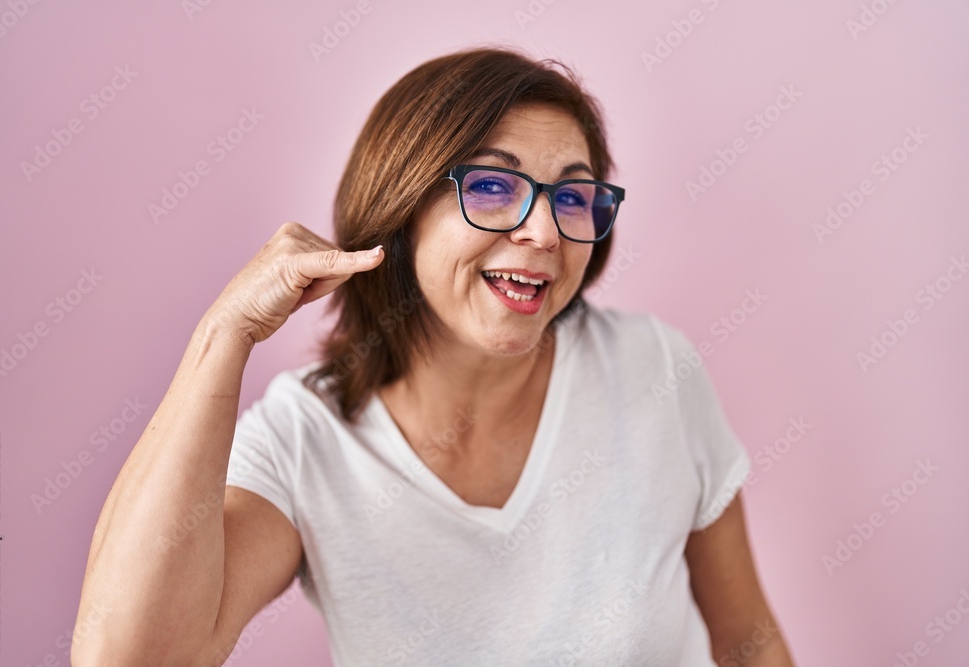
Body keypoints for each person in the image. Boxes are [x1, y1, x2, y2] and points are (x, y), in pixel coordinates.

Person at [73, 45, 795, 666]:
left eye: (573, 196)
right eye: (490, 184)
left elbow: (749, 641)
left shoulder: (652, 369)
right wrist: (221, 336)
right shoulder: (305, 440)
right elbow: (130, 655)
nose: (544, 231)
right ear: (402, 208)